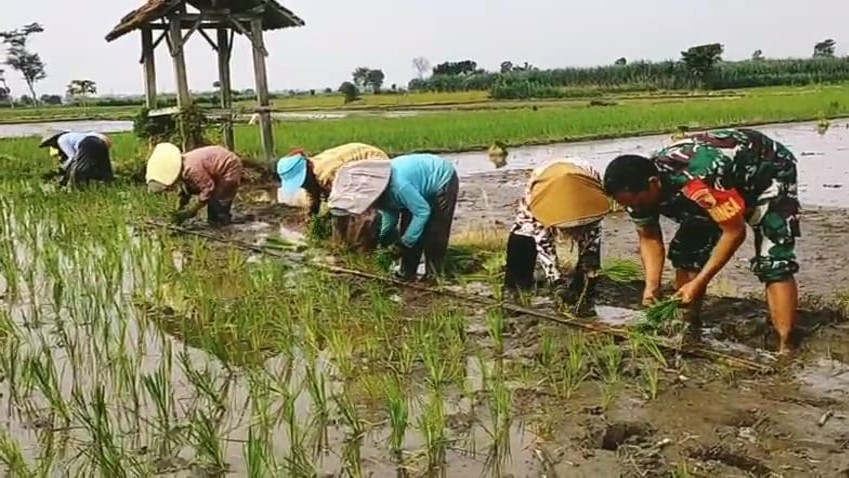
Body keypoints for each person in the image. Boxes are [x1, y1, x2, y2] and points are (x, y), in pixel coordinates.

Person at [602, 128, 800, 354]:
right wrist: (652, 286)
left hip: (765, 174)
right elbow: (648, 236)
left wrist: (698, 283)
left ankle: (786, 347)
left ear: (653, 182)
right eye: (629, 205)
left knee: (773, 261)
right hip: (715, 188)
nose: (636, 209)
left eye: (638, 202)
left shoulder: (700, 179)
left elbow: (734, 232)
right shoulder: (632, 192)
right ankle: (688, 327)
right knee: (687, 252)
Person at [328, 153, 459, 281]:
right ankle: (407, 273)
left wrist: (405, 242)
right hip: (416, 187)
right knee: (408, 228)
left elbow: (422, 211)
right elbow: (390, 215)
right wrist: (381, 237)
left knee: (434, 231)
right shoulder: (378, 191)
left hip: (441, 178)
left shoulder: (398, 186)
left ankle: (434, 275)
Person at [504, 158, 611, 314]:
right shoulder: (537, 197)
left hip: (582, 183)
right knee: (523, 233)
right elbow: (543, 242)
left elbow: (594, 233)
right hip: (543, 187)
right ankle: (516, 289)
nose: (573, 232)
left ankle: (583, 294)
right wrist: (557, 281)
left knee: (588, 260)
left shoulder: (590, 195)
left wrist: (589, 262)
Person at [277, 142, 390, 216]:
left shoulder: (326, 174)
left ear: (306, 172)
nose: (302, 185)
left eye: (302, 182)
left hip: (375, 163)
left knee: (353, 206)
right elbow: (313, 196)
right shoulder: (311, 172)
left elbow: (338, 198)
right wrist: (310, 217)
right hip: (354, 169)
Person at [145, 142, 243, 227]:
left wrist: (192, 210)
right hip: (215, 168)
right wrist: (180, 208)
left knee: (218, 205)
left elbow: (208, 189)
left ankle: (225, 227)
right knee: (208, 207)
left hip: (229, 167)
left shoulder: (190, 170)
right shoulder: (183, 168)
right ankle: (220, 221)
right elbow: (187, 189)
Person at [38, 130, 115, 187]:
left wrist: (63, 168)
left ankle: (78, 189)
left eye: (50, 144)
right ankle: (111, 185)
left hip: (87, 144)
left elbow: (72, 157)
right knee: (103, 167)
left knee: (80, 170)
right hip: (99, 141)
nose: (52, 146)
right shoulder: (70, 135)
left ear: (53, 140)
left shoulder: (61, 140)